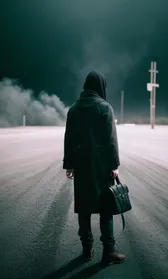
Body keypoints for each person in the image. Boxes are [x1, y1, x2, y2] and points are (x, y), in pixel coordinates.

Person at [63, 70, 126, 265]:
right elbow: (110, 140)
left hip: (82, 166)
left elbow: (69, 139)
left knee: (84, 207)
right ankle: (109, 251)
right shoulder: (105, 108)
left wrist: (69, 164)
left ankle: (87, 249)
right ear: (101, 86)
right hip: (101, 166)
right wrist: (114, 165)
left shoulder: (73, 109)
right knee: (105, 207)